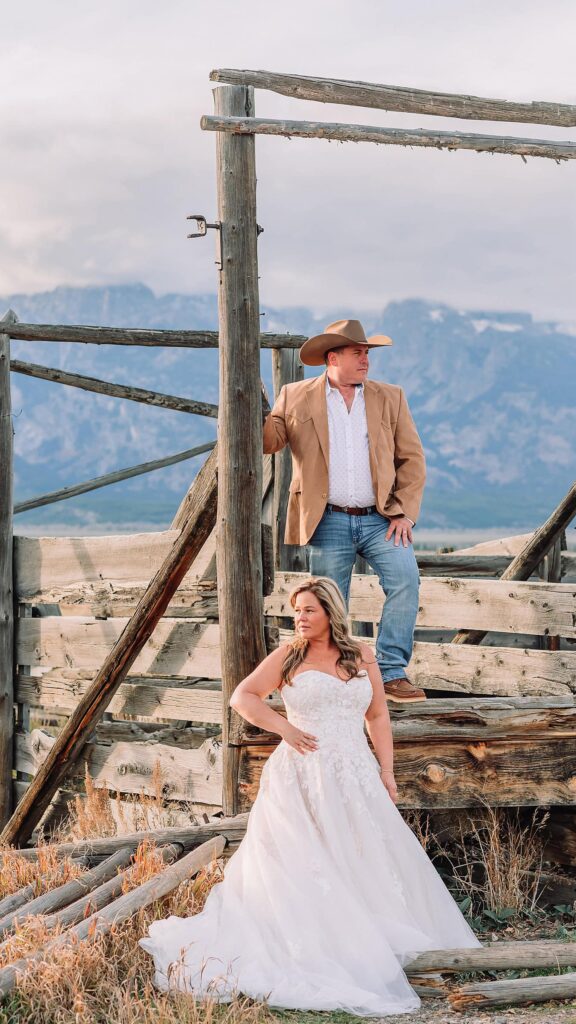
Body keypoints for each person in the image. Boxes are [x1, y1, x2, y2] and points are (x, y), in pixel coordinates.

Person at [139, 577, 481, 1016]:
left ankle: (373, 940)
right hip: (301, 773)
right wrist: (284, 728)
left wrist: (386, 771)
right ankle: (319, 943)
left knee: (363, 852)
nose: (299, 618)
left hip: (355, 773)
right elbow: (243, 697)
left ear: (330, 613)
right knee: (307, 857)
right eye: (296, 610)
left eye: (308, 610)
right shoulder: (289, 655)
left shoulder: (361, 655)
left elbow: (377, 715)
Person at [264, 318, 427, 704]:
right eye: (358, 353)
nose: (366, 360)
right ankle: (336, 672)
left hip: (381, 518)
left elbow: (412, 458)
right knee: (328, 601)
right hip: (327, 518)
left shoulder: (390, 396)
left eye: (367, 353)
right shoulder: (295, 395)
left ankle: (391, 672)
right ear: (332, 358)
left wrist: (404, 513)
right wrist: (251, 407)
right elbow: (269, 442)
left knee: (406, 580)